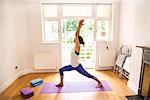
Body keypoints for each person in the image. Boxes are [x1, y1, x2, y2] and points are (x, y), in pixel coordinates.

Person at [56, 19, 103, 88]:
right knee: (61, 70)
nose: (74, 38)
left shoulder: (78, 47)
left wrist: (79, 25)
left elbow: (76, 34)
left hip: (77, 67)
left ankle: (99, 82)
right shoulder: (75, 46)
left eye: (76, 38)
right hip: (72, 66)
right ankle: (61, 83)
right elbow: (76, 36)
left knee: (88, 75)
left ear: (78, 40)